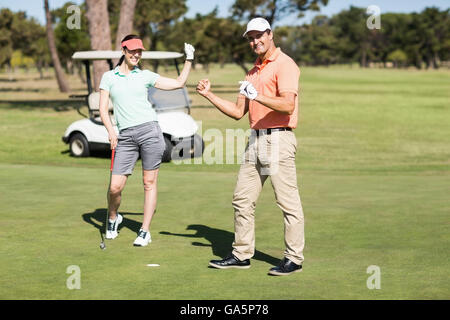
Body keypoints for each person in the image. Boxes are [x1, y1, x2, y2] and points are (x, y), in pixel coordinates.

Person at [196, 18, 305, 275]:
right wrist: (209, 95)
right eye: (251, 38)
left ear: (270, 34)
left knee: (287, 202)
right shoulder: (252, 72)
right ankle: (242, 253)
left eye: (259, 36)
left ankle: (294, 259)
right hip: (255, 140)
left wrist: (258, 96)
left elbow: (288, 105)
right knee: (242, 199)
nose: (255, 42)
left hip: (278, 139)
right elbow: (237, 112)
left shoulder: (285, 64)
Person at [99, 34, 195, 246]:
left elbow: (179, 83)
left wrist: (189, 59)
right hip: (124, 136)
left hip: (150, 132)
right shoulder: (109, 77)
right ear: (123, 50)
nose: (136, 54)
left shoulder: (145, 76)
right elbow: (103, 108)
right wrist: (111, 132)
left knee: (149, 183)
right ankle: (113, 217)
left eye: (139, 51)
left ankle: (144, 231)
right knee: (115, 187)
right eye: (132, 50)